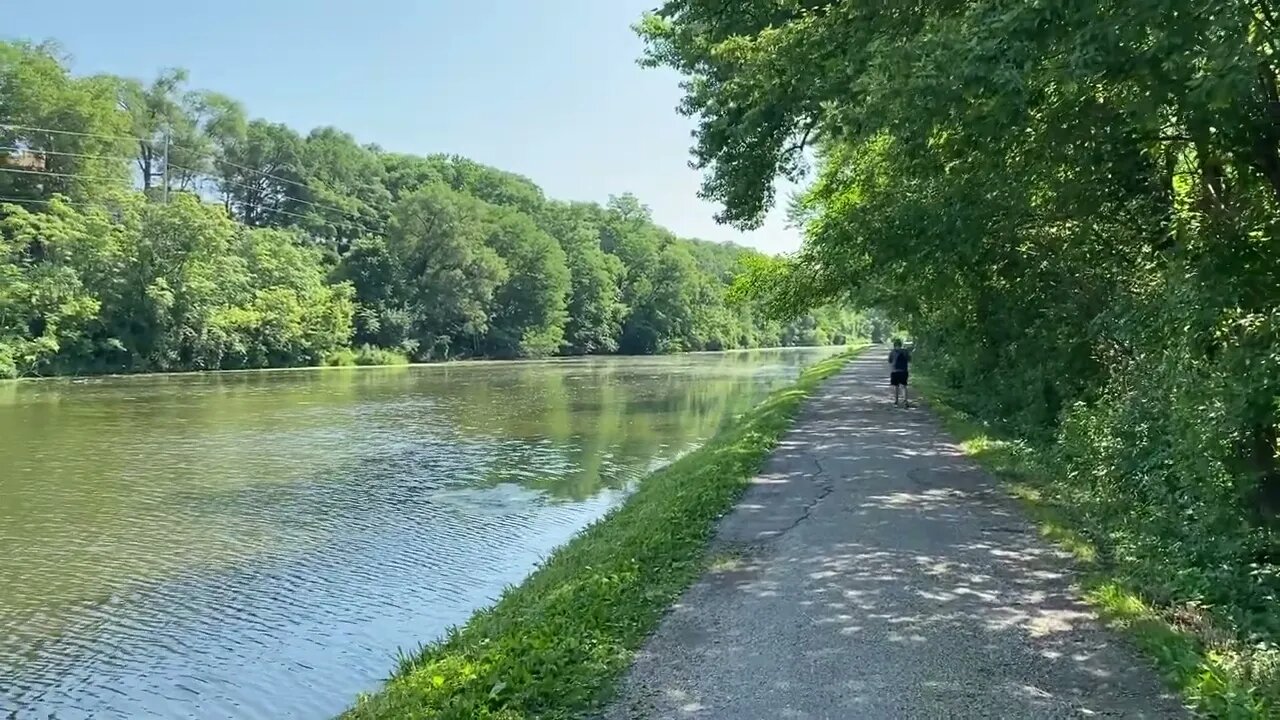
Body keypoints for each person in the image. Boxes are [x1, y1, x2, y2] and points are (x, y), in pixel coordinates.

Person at [888, 338, 911, 407]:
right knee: (904, 386)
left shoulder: (892, 352)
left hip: (895, 371)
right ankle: (905, 401)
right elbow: (909, 359)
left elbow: (890, 361)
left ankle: (896, 401)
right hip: (904, 371)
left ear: (894, 345)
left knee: (896, 387)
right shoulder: (905, 351)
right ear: (901, 345)